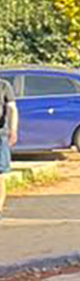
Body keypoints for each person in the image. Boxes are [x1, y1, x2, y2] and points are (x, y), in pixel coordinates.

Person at [0, 76, 18, 219]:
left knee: (0, 175)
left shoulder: (4, 86)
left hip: (1, 134)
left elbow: (12, 109)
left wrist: (13, 129)